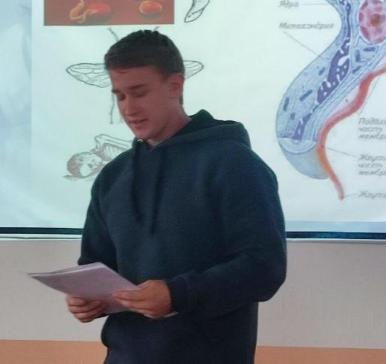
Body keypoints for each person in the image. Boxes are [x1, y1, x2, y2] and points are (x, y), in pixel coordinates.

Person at [65, 30, 287, 363]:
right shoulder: (113, 177)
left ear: (175, 85)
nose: (128, 108)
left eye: (139, 93)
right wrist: (87, 298)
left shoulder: (234, 164)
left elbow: (264, 268)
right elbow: (96, 266)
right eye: (119, 96)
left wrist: (177, 294)